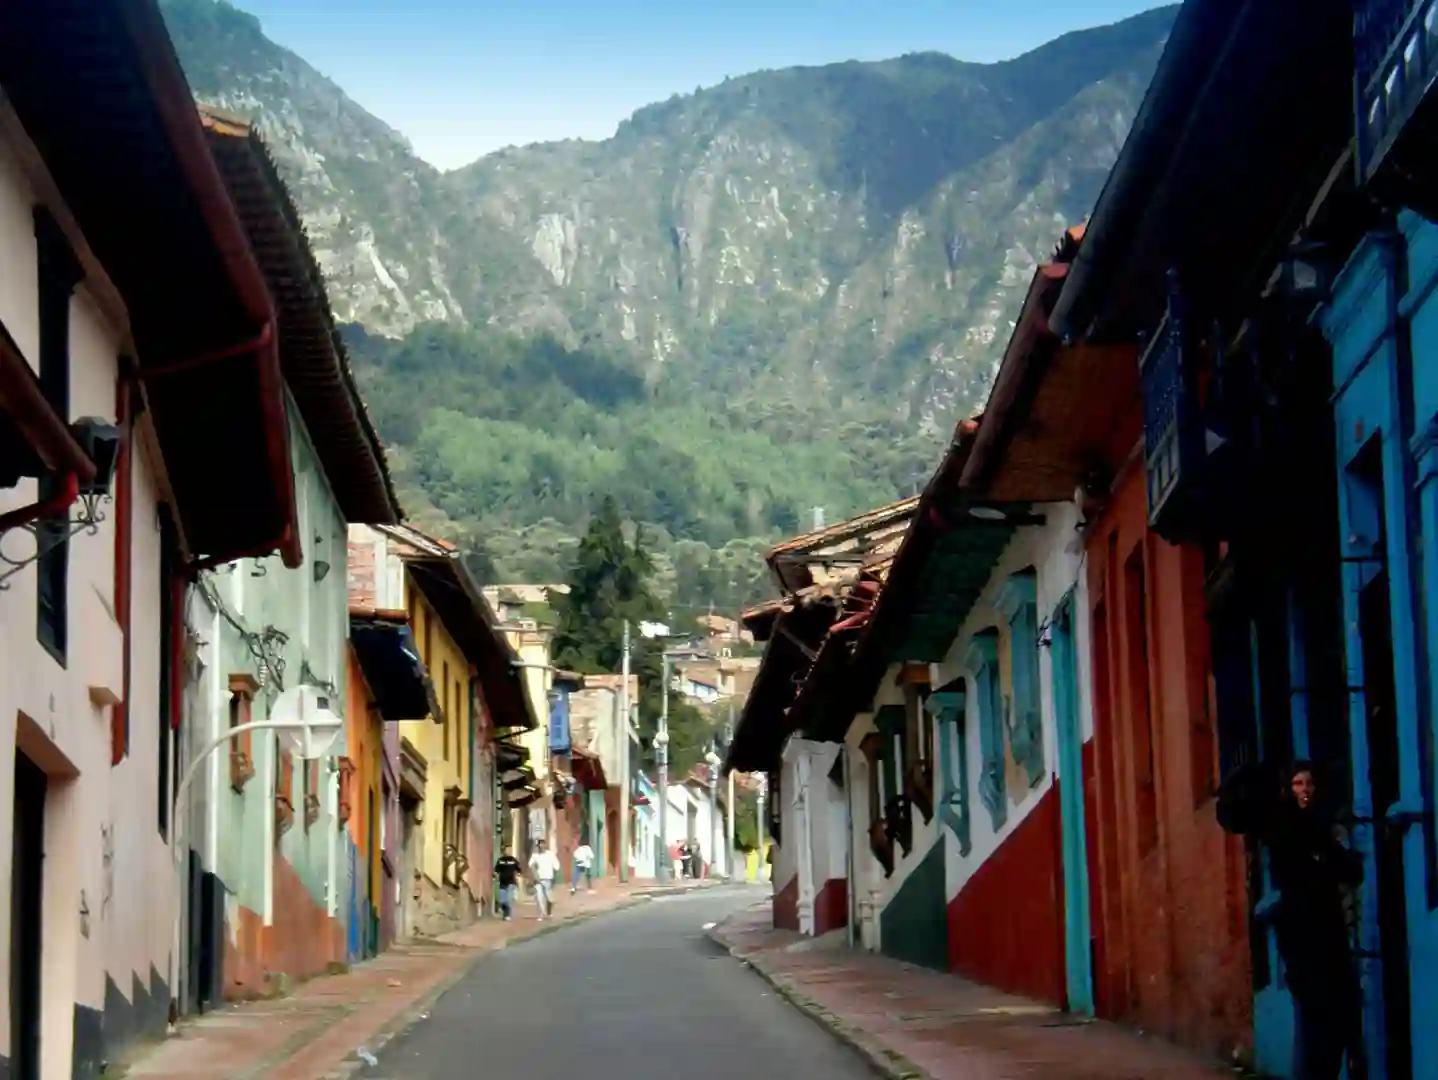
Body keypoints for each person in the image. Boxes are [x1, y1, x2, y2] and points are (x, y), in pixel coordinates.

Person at [1218, 760, 1363, 1080]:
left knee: (1326, 1018)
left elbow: (1346, 868)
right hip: (1310, 932)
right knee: (1323, 1018)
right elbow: (1347, 869)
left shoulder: (1300, 827)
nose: (1306, 791)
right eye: (1298, 784)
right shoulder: (1289, 825)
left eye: (1309, 784)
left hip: (1314, 931)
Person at [528, 840, 559, 920]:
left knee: (549, 898)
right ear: (538, 847)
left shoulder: (551, 854)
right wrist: (535, 874)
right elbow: (531, 865)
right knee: (539, 897)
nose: (541, 847)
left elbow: (556, 867)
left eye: (543, 846)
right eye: (540, 846)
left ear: (545, 846)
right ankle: (541, 914)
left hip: (548, 879)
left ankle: (549, 912)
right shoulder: (535, 855)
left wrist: (554, 878)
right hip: (538, 880)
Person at [494, 847, 522, 922]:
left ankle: (507, 915)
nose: (508, 852)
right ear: (503, 851)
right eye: (507, 850)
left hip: (511, 883)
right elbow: (496, 870)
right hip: (502, 882)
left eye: (509, 850)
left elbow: (519, 870)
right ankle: (504, 911)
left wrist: (517, 876)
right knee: (503, 901)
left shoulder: (513, 860)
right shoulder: (500, 860)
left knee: (508, 900)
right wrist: (496, 876)